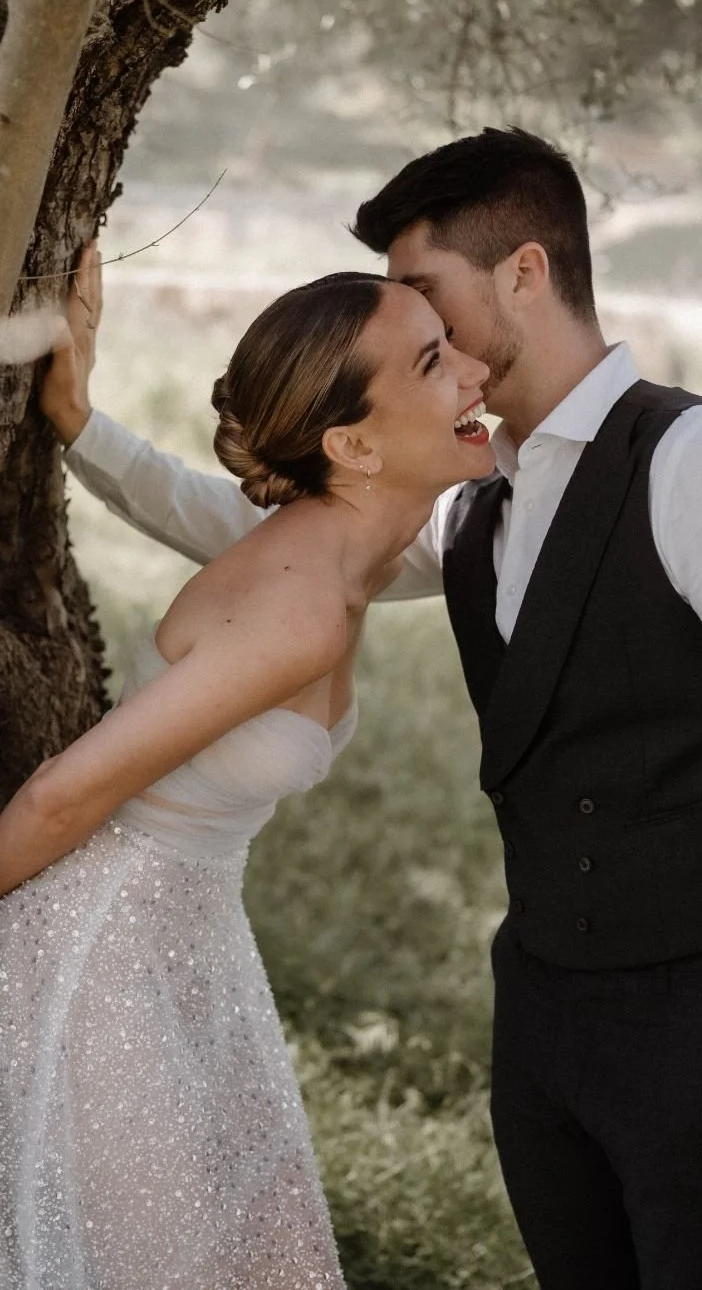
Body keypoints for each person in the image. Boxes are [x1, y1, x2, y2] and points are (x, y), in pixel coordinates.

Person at [53, 129, 702, 1289]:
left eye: (421, 294)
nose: (404, 325)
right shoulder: (477, 493)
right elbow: (284, 541)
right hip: (545, 1033)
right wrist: (83, 431)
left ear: (524, 274)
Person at [0, 243, 492, 1290]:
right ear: (353, 445)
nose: (478, 374)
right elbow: (64, 791)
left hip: (197, 940)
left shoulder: (349, 546)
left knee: (281, 1258)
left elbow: (194, 505)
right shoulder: (302, 605)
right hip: (107, 955)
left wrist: (80, 418)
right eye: (434, 363)